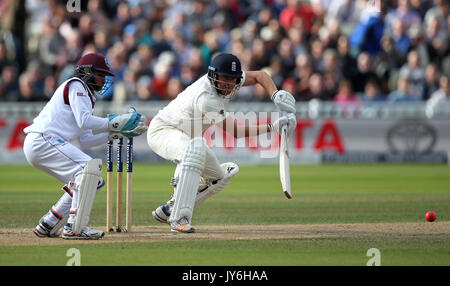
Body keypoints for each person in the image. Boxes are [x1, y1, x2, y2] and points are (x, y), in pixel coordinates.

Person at [147, 53, 297, 233]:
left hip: (186, 137)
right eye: (224, 79)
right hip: (163, 131)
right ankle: (179, 218)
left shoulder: (232, 81)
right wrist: (272, 126)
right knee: (196, 148)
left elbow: (260, 76)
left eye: (232, 80)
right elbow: (235, 132)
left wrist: (275, 94)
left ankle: (169, 209)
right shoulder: (207, 97)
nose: (228, 85)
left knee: (221, 175)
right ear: (213, 76)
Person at [23, 53, 147, 240]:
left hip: (42, 143)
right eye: (101, 74)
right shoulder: (76, 85)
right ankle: (74, 226)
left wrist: (115, 133)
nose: (104, 79)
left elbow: (86, 140)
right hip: (44, 139)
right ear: (87, 72)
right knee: (88, 170)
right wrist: (113, 122)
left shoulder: (87, 96)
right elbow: (84, 120)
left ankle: (48, 223)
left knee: (90, 180)